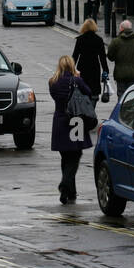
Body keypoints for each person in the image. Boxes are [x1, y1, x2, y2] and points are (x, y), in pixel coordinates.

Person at [49, 55, 94, 204]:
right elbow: (89, 92)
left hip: (60, 121)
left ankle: (71, 192)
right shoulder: (76, 80)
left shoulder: (53, 82)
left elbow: (55, 97)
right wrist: (78, 78)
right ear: (71, 65)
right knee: (75, 155)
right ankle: (65, 186)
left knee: (66, 157)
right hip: (76, 121)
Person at [106, 19, 134, 100]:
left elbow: (110, 57)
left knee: (122, 97)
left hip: (121, 75)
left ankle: (122, 111)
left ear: (122, 29)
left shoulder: (116, 42)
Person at [71, 18, 108, 100]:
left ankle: (85, 106)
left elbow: (75, 56)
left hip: (82, 67)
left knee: (83, 87)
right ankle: (92, 105)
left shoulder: (80, 39)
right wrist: (105, 70)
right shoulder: (98, 39)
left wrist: (71, 69)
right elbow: (102, 57)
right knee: (94, 89)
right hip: (94, 67)